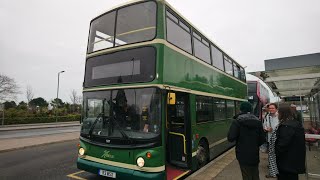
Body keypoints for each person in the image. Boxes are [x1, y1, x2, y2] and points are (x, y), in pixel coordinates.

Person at [228, 102, 265, 180]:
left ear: (241, 110)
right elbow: (262, 139)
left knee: (246, 174)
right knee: (255, 173)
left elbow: (231, 138)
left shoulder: (237, 121)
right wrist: (254, 145)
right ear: (251, 110)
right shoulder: (258, 121)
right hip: (254, 152)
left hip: (242, 152)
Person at [276, 105, 306, 180]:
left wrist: (276, 151)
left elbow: (282, 144)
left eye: (278, 112)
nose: (277, 114)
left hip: (286, 162)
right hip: (295, 161)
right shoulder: (296, 124)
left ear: (282, 113)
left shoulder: (286, 126)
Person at [263, 103, 279, 178]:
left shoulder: (279, 116)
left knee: (277, 156)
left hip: (278, 139)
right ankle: (273, 172)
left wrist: (274, 129)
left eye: (273, 108)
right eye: (270, 108)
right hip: (270, 139)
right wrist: (266, 128)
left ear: (276, 109)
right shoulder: (267, 116)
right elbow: (264, 125)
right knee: (271, 156)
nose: (271, 110)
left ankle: (277, 171)